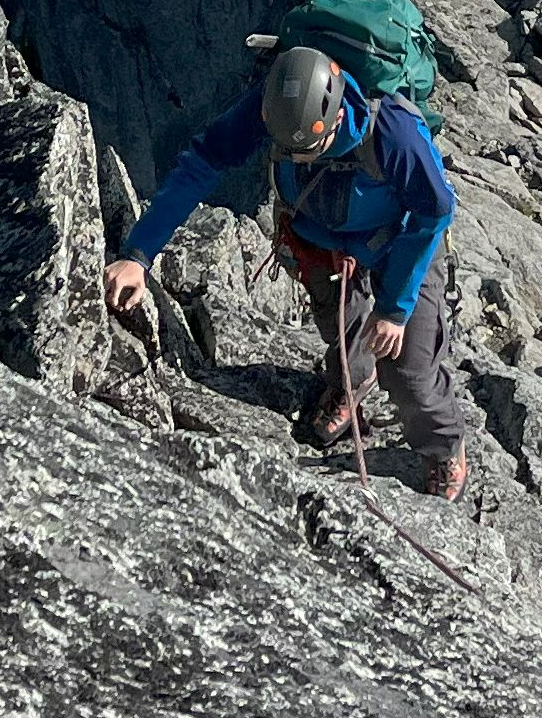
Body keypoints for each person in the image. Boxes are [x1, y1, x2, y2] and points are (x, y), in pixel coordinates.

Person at [107, 43, 468, 498]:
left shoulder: (392, 130)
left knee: (409, 369)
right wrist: (139, 255)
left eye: (307, 149)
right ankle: (350, 384)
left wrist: (396, 308)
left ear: (336, 117)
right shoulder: (268, 109)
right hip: (319, 238)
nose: (297, 158)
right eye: (287, 149)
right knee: (342, 332)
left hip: (402, 241)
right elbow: (202, 162)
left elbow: (433, 211)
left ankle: (443, 447)